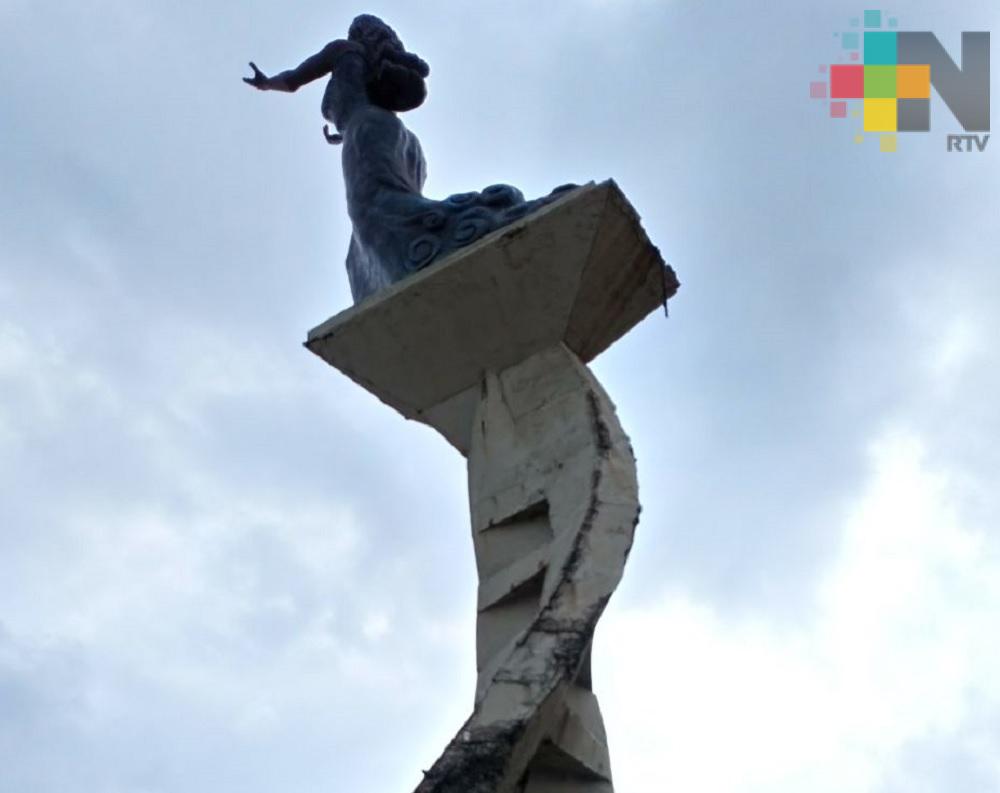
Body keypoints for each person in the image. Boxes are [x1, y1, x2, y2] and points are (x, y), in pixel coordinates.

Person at [245, 14, 574, 303]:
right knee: (379, 222)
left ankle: (471, 229)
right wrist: (346, 135)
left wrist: (267, 83)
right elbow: (361, 108)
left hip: (367, 131)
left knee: (375, 209)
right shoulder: (371, 68)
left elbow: (294, 80)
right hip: (395, 137)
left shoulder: (343, 50)